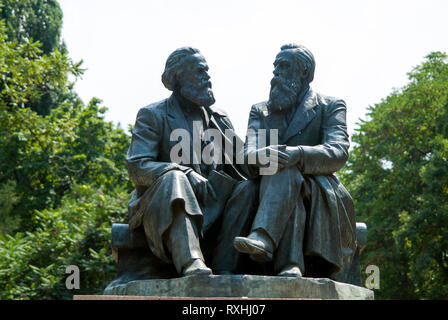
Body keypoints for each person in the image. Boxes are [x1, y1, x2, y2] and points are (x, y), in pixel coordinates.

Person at [126, 47, 257, 277]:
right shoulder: (153, 115)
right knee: (175, 178)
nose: (207, 77)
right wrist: (183, 172)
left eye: (207, 71)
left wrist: (273, 154)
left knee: (248, 187)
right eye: (199, 71)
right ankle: (191, 261)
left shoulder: (219, 117)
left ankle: (226, 267)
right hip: (164, 204)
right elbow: (138, 167)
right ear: (178, 77)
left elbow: (243, 163)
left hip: (213, 204)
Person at [232, 44, 357, 279]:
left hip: (318, 188)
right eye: (275, 67)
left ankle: (264, 238)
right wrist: (264, 154)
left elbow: (338, 151)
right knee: (282, 172)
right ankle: (289, 264)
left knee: (287, 172)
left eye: (284, 66)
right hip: (268, 185)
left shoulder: (331, 105)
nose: (275, 73)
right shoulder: (260, 110)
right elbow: (247, 153)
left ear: (304, 71)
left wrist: (298, 154)